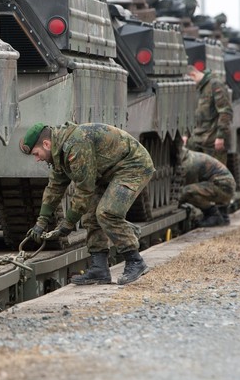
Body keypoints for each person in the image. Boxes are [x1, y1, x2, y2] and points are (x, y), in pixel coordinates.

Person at [20, 122, 155, 285]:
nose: (36, 159)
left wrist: (68, 223)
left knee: (107, 213)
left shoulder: (76, 145)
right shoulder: (59, 152)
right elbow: (54, 188)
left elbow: (84, 190)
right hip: (108, 172)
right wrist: (40, 223)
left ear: (47, 144)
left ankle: (135, 261)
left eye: (36, 153)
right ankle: (99, 268)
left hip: (132, 166)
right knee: (90, 215)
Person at [186, 64, 233, 165]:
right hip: (200, 140)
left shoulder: (215, 85)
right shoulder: (200, 89)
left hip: (213, 142)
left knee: (216, 176)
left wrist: (220, 137)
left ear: (193, 75)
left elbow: (225, 111)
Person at [179, 146, 235, 227]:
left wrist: (176, 202)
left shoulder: (190, 163)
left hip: (223, 187)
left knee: (187, 191)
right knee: (194, 190)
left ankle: (213, 215)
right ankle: (222, 215)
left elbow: (188, 188)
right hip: (224, 186)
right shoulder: (192, 156)